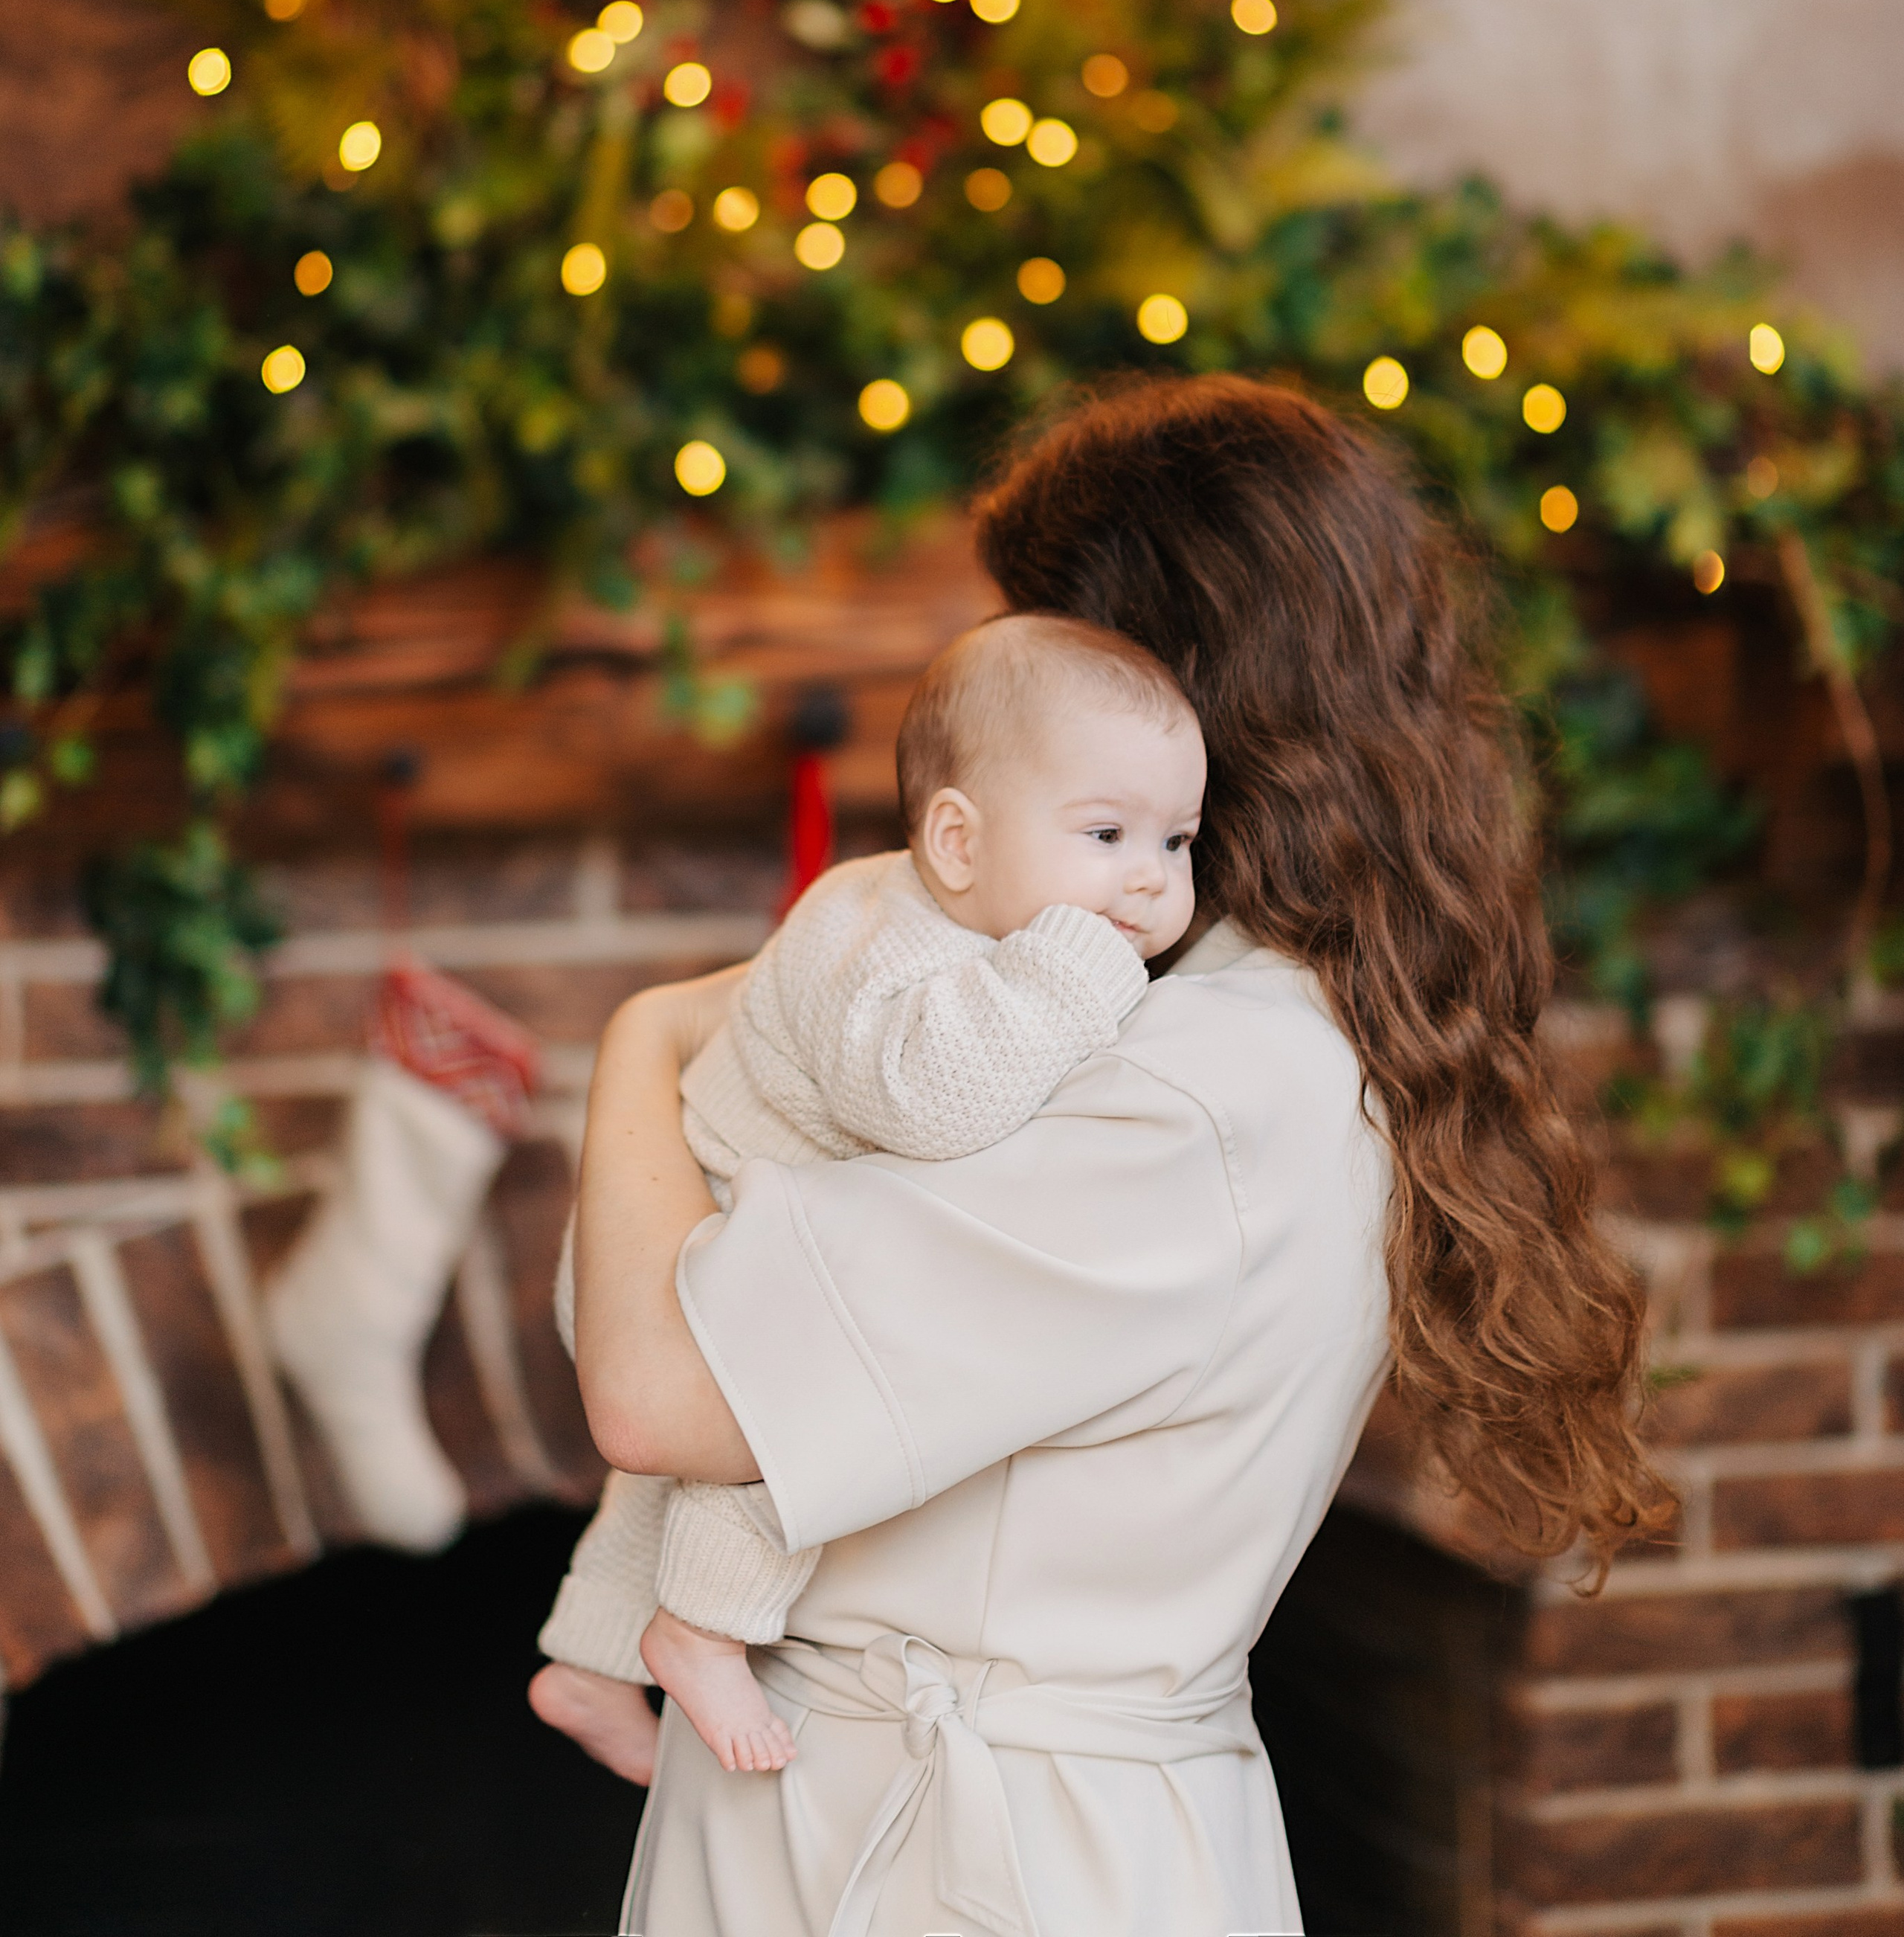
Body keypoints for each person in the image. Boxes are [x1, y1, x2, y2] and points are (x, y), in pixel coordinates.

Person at [567, 375, 1670, 1937]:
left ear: (1179, 690)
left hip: (958, 1857)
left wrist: (639, 1038)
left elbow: (659, 1389)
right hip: (1008, 1819)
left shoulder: (1185, 1092)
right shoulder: (1257, 1019)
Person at [530, 611, 1203, 1778]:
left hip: (677, 1244)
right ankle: (699, 1626)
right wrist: (1091, 968)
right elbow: (930, 1103)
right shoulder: (882, 944)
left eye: (1179, 841)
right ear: (956, 838)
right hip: (667, 1277)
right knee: (813, 1415)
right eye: (1106, 832)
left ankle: (586, 1665)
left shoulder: (936, 913)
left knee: (666, 1482)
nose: (1149, 879)